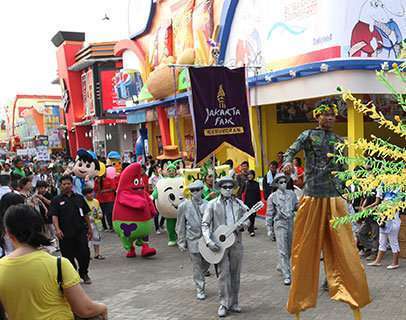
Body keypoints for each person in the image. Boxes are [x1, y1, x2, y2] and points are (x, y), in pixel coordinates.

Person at [283, 101, 370, 319]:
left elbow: (343, 169)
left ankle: (354, 298)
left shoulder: (339, 140)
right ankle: (299, 304)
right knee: (304, 250)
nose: (330, 119)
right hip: (312, 198)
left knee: (346, 250)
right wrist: (287, 163)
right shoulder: (308, 135)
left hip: (334, 200)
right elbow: (291, 150)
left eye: (332, 115)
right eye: (326, 115)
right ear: (317, 117)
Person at [0, 204, 107, 319]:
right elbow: (85, 310)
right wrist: (103, 307)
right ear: (40, 228)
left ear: (8, 233)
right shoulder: (58, 264)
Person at [202, 176, 250, 318]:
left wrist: (244, 226)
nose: (228, 190)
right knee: (223, 275)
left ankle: (234, 302)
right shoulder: (212, 204)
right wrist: (209, 241)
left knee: (236, 274)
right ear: (220, 188)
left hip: (236, 243)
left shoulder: (239, 204)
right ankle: (223, 303)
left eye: (230, 187)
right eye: (225, 187)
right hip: (220, 244)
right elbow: (205, 224)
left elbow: (247, 219)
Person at [50, 175, 93, 284]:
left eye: (68, 183)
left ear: (72, 184)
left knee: (84, 253)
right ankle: (73, 274)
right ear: (60, 185)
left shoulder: (79, 198)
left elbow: (86, 214)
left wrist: (89, 228)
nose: (66, 186)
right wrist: (57, 229)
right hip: (65, 234)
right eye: (64, 184)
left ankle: (83, 273)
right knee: (68, 257)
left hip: (80, 231)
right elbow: (54, 216)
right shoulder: (56, 200)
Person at [176, 180, 210, 300]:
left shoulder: (208, 204)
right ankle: (200, 288)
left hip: (206, 240)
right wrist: (181, 241)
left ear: (202, 190)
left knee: (206, 262)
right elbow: (180, 225)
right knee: (196, 265)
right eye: (192, 190)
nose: (195, 192)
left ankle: (201, 275)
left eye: (197, 190)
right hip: (193, 239)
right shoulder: (184, 206)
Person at [266, 175, 298, 285]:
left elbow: (296, 206)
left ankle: (281, 265)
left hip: (290, 222)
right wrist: (269, 228)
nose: (283, 183)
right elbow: (269, 214)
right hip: (279, 223)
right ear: (277, 184)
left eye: (285, 181)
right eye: (281, 182)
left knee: (289, 248)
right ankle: (287, 275)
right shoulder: (272, 197)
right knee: (282, 249)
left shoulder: (292, 194)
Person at [367, 189, 401, 269]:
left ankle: (395, 263)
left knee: (393, 242)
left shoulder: (397, 190)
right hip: (383, 221)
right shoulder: (384, 190)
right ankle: (377, 261)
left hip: (393, 221)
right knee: (382, 241)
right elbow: (378, 202)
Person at [84, 187, 105, 260]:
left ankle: (97, 254)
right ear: (85, 195)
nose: (91, 194)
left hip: (96, 223)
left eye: (92, 192)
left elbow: (99, 209)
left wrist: (100, 215)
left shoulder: (96, 201)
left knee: (97, 238)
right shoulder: (83, 202)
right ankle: (87, 255)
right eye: (89, 193)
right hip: (88, 223)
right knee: (88, 239)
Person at [243, 170, 261, 237]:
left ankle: (251, 227)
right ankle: (251, 230)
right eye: (248, 174)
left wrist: (259, 202)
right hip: (247, 202)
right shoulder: (246, 183)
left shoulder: (256, 183)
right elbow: (242, 193)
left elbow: (258, 193)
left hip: (254, 202)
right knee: (250, 216)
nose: (250, 176)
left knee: (253, 216)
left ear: (253, 175)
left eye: (251, 174)